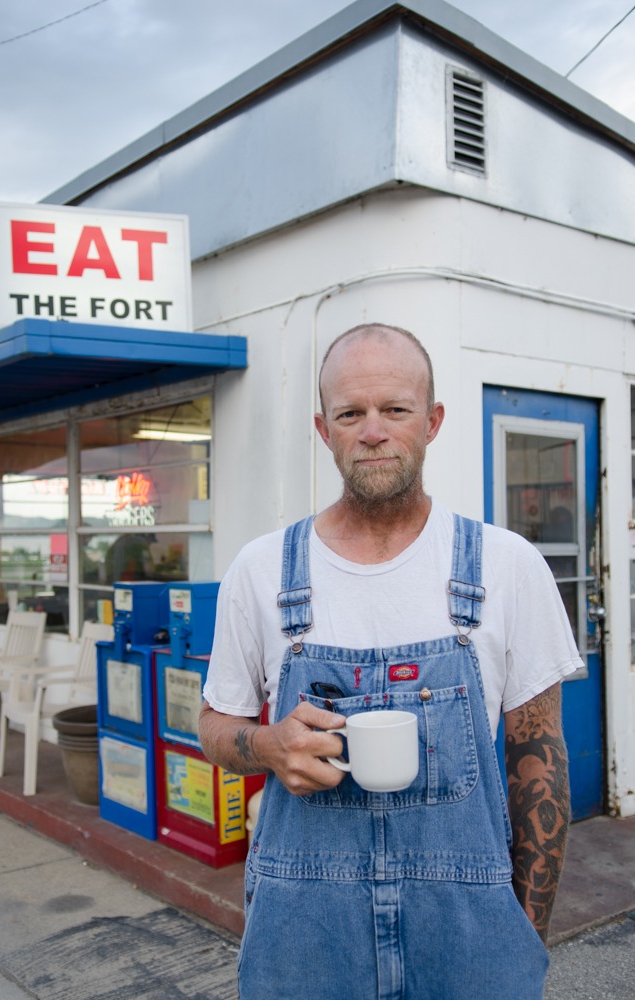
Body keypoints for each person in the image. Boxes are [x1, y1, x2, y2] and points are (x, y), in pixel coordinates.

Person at [200, 323, 580, 999]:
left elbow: (539, 757)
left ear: (432, 421)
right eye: (351, 414)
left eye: (395, 409)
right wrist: (268, 745)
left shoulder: (507, 565)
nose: (373, 432)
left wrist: (524, 934)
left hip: (470, 937)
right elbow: (213, 726)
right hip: (305, 940)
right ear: (324, 431)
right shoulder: (260, 571)